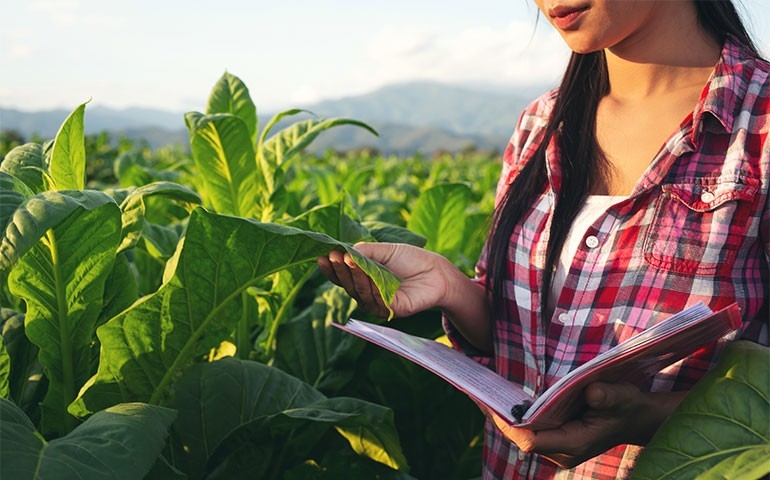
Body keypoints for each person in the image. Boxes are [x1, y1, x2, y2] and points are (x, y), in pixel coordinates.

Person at [318, 0, 769, 478]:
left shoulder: (757, 127)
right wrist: (452, 290)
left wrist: (651, 418)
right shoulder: (541, 123)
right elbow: (528, 339)